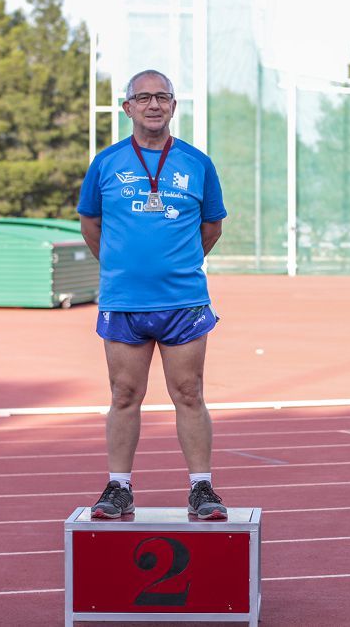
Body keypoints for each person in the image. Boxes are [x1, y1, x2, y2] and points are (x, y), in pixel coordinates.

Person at [77, 69, 229, 519]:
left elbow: (212, 227)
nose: (154, 105)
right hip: (124, 301)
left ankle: (202, 488)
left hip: (183, 300)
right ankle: (118, 487)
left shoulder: (198, 164)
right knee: (124, 394)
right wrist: (122, 268)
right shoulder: (106, 163)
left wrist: (176, 266)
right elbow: (90, 224)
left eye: (162, 96)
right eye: (143, 97)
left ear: (174, 106)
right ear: (128, 108)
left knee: (189, 391)